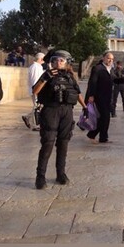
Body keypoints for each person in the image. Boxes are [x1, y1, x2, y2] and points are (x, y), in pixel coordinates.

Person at [33, 50, 87, 188]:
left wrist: (85, 107)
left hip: (67, 112)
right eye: (56, 60)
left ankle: (60, 174)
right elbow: (35, 90)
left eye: (61, 60)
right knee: (48, 144)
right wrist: (46, 77)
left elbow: (78, 92)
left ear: (67, 62)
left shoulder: (70, 76)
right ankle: (40, 176)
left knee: (63, 144)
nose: (58, 62)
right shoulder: (47, 75)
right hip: (51, 111)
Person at [85, 51, 115, 143]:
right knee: (104, 117)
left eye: (112, 59)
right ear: (103, 58)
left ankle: (101, 137)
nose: (110, 60)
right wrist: (91, 95)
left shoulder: (110, 69)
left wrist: (123, 80)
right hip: (99, 97)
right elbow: (92, 82)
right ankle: (94, 135)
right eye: (109, 58)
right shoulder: (97, 68)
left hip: (107, 97)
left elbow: (114, 79)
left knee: (105, 118)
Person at [22, 52, 45, 131]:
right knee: (37, 107)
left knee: (39, 106)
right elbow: (35, 80)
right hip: (36, 90)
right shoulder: (35, 67)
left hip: (38, 90)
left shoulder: (38, 67)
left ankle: (27, 117)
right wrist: (37, 90)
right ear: (41, 59)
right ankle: (36, 125)